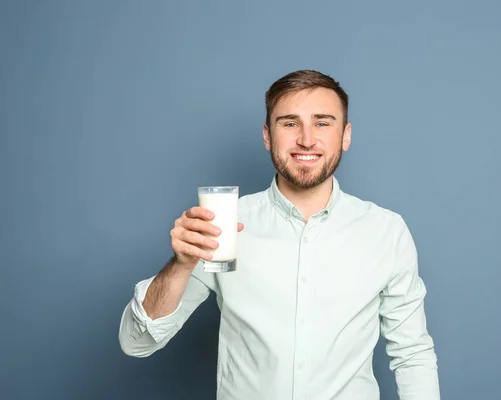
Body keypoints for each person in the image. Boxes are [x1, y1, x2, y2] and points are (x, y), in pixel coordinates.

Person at [119, 70, 440, 400]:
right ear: (267, 136)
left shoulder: (385, 231)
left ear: (345, 135)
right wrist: (180, 265)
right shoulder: (225, 225)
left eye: (322, 123)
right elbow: (137, 342)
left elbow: (413, 355)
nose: (306, 138)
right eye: (289, 123)